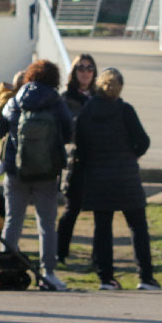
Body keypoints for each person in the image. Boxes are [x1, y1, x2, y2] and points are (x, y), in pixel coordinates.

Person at [75, 67, 158, 291]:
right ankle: (146, 277)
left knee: (102, 228)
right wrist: (132, 154)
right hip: (126, 176)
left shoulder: (88, 111)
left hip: (98, 177)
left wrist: (91, 162)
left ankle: (106, 278)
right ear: (120, 87)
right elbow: (143, 141)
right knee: (137, 226)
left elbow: (80, 145)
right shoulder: (125, 110)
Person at [0, 60, 72, 291]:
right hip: (46, 171)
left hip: (15, 169)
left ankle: (4, 271)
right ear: (54, 78)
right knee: (47, 224)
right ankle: (48, 273)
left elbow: (0, 129)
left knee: (13, 220)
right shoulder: (56, 101)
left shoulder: (16, 99)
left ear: (30, 76)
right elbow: (69, 131)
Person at [57, 54, 98, 266]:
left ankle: (98, 257)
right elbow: (65, 130)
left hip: (98, 162)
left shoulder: (99, 97)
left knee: (101, 212)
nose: (85, 72)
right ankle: (60, 253)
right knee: (71, 209)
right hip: (76, 161)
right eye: (81, 68)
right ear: (74, 72)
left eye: (89, 68)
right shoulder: (66, 98)